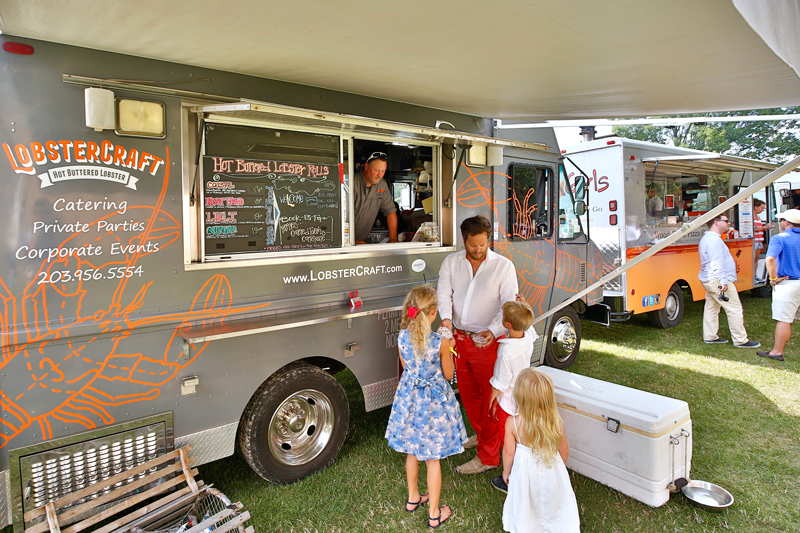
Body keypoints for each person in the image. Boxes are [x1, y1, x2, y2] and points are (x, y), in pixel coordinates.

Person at [437, 215, 519, 474]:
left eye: (483, 244)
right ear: (465, 240)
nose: (479, 249)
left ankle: (488, 456)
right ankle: (483, 435)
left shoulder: (503, 266)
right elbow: (443, 293)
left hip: (488, 342)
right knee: (470, 397)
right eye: (473, 244)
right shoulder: (451, 262)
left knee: (489, 400)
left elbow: (509, 305)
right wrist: (447, 322)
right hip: (460, 338)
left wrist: (493, 331)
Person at [384, 285, 467, 528]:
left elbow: (406, 367)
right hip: (433, 404)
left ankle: (413, 498)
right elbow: (449, 374)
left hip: (409, 399)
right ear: (434, 313)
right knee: (432, 459)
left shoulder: (401, 337)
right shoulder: (439, 342)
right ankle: (433, 513)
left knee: (412, 451)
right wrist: (449, 347)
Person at [499, 368, 580, 533]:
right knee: (552, 501)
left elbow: (508, 452)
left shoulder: (512, 423)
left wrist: (506, 472)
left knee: (526, 500)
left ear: (520, 397)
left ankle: (527, 526)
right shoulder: (554, 422)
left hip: (524, 472)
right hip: (551, 468)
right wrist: (558, 468)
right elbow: (564, 450)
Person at [487, 300, 537, 494]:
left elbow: (500, 382)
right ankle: (525, 470)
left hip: (508, 403)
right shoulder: (528, 336)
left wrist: (491, 400)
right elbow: (530, 328)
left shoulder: (506, 350)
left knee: (508, 440)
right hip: (525, 397)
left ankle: (509, 478)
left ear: (507, 325)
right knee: (523, 436)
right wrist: (525, 306)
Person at [698, 213, 760, 348]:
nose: (729, 223)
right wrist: (724, 281)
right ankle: (740, 340)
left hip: (709, 278)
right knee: (734, 308)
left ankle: (710, 336)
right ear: (716, 222)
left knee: (712, 307)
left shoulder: (708, 238)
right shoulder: (714, 240)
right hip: (716, 279)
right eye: (726, 221)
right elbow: (717, 262)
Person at [757, 209, 800, 362]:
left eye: (781, 219)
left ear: (786, 222)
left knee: (784, 319)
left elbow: (770, 259)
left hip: (788, 283)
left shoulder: (779, 238)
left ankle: (777, 351)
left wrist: (773, 278)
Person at [353, 152, 397, 244]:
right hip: (344, 243)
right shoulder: (353, 183)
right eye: (376, 170)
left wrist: (393, 238)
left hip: (362, 242)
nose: (380, 175)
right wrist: (351, 241)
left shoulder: (382, 184)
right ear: (366, 166)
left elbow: (390, 211)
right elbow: (340, 216)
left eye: (383, 171)